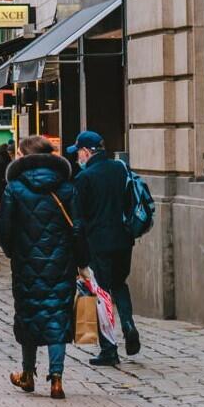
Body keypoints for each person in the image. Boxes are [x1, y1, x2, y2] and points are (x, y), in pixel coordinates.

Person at [0, 136, 88, 399]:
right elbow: (78, 227)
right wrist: (81, 260)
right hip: (61, 262)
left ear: (25, 156)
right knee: (58, 316)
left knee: (28, 316)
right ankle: (56, 379)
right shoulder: (67, 187)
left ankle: (27, 374)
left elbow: (5, 227)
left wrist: (13, 252)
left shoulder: (15, 188)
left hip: (26, 263)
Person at [68, 131, 140, 366]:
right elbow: (131, 202)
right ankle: (128, 323)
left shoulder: (84, 178)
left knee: (102, 293)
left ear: (87, 151)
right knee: (120, 283)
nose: (77, 157)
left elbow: (78, 219)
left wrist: (78, 252)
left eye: (78, 152)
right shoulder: (120, 169)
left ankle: (109, 348)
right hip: (123, 239)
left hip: (98, 243)